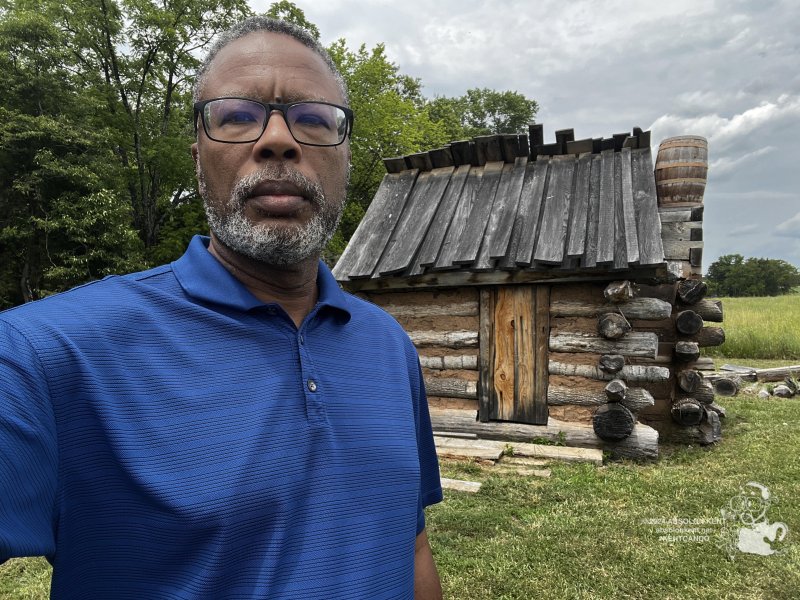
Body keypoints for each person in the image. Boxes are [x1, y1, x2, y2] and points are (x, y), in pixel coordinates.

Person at [0, 16, 443, 599]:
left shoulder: (387, 344)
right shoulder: (41, 356)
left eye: (313, 119)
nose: (278, 139)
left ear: (346, 158)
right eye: (237, 116)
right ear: (198, 156)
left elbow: (408, 544)